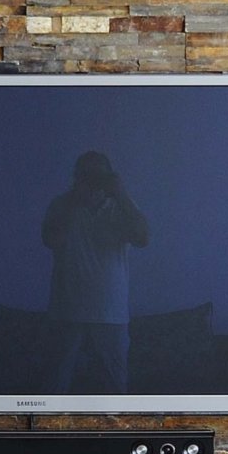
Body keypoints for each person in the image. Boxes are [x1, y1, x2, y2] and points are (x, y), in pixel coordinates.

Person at [42, 151, 149, 394]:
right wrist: (74, 202)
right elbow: (50, 240)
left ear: (110, 177)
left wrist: (121, 194)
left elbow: (143, 238)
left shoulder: (120, 208)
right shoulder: (61, 205)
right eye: (86, 176)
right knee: (55, 387)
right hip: (66, 311)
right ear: (76, 177)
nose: (92, 181)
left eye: (98, 176)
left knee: (115, 389)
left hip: (110, 312)